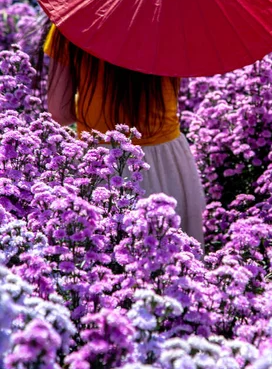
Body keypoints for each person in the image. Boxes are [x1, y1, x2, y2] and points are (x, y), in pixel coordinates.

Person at [41, 21, 206, 251]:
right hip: (168, 160)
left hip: (100, 163)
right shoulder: (171, 19)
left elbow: (59, 112)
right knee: (174, 269)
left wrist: (95, 105)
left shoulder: (70, 22)